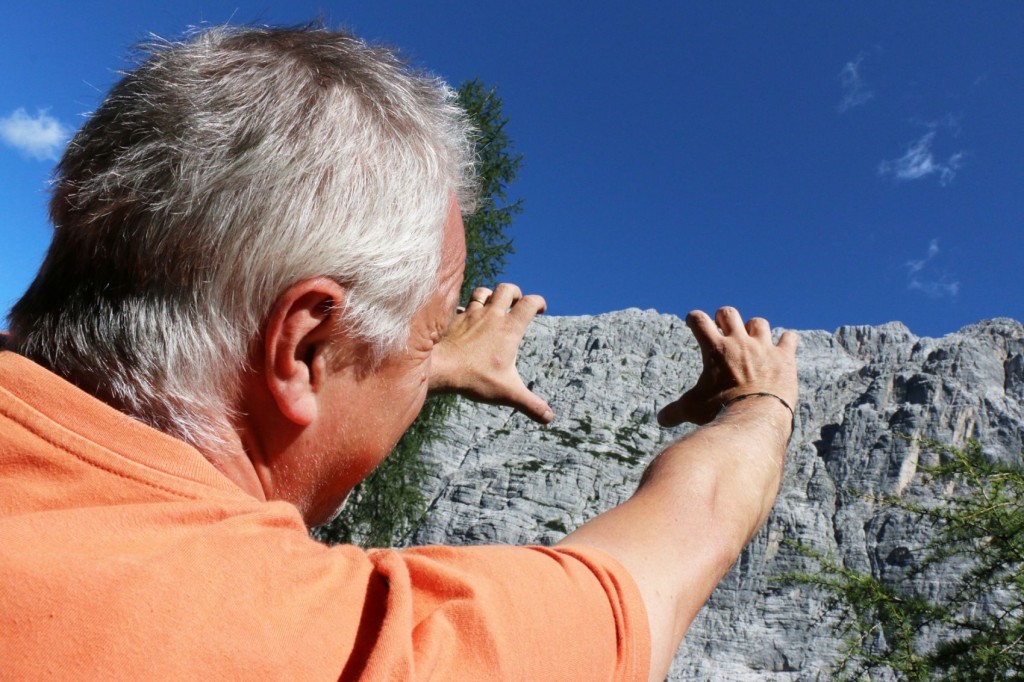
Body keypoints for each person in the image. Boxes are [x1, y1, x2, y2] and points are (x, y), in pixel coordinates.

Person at [0, 24, 798, 681]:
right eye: (431, 335)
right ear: (307, 344)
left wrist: (413, 361)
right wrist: (761, 399)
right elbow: (680, 544)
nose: (432, 361)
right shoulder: (338, 649)